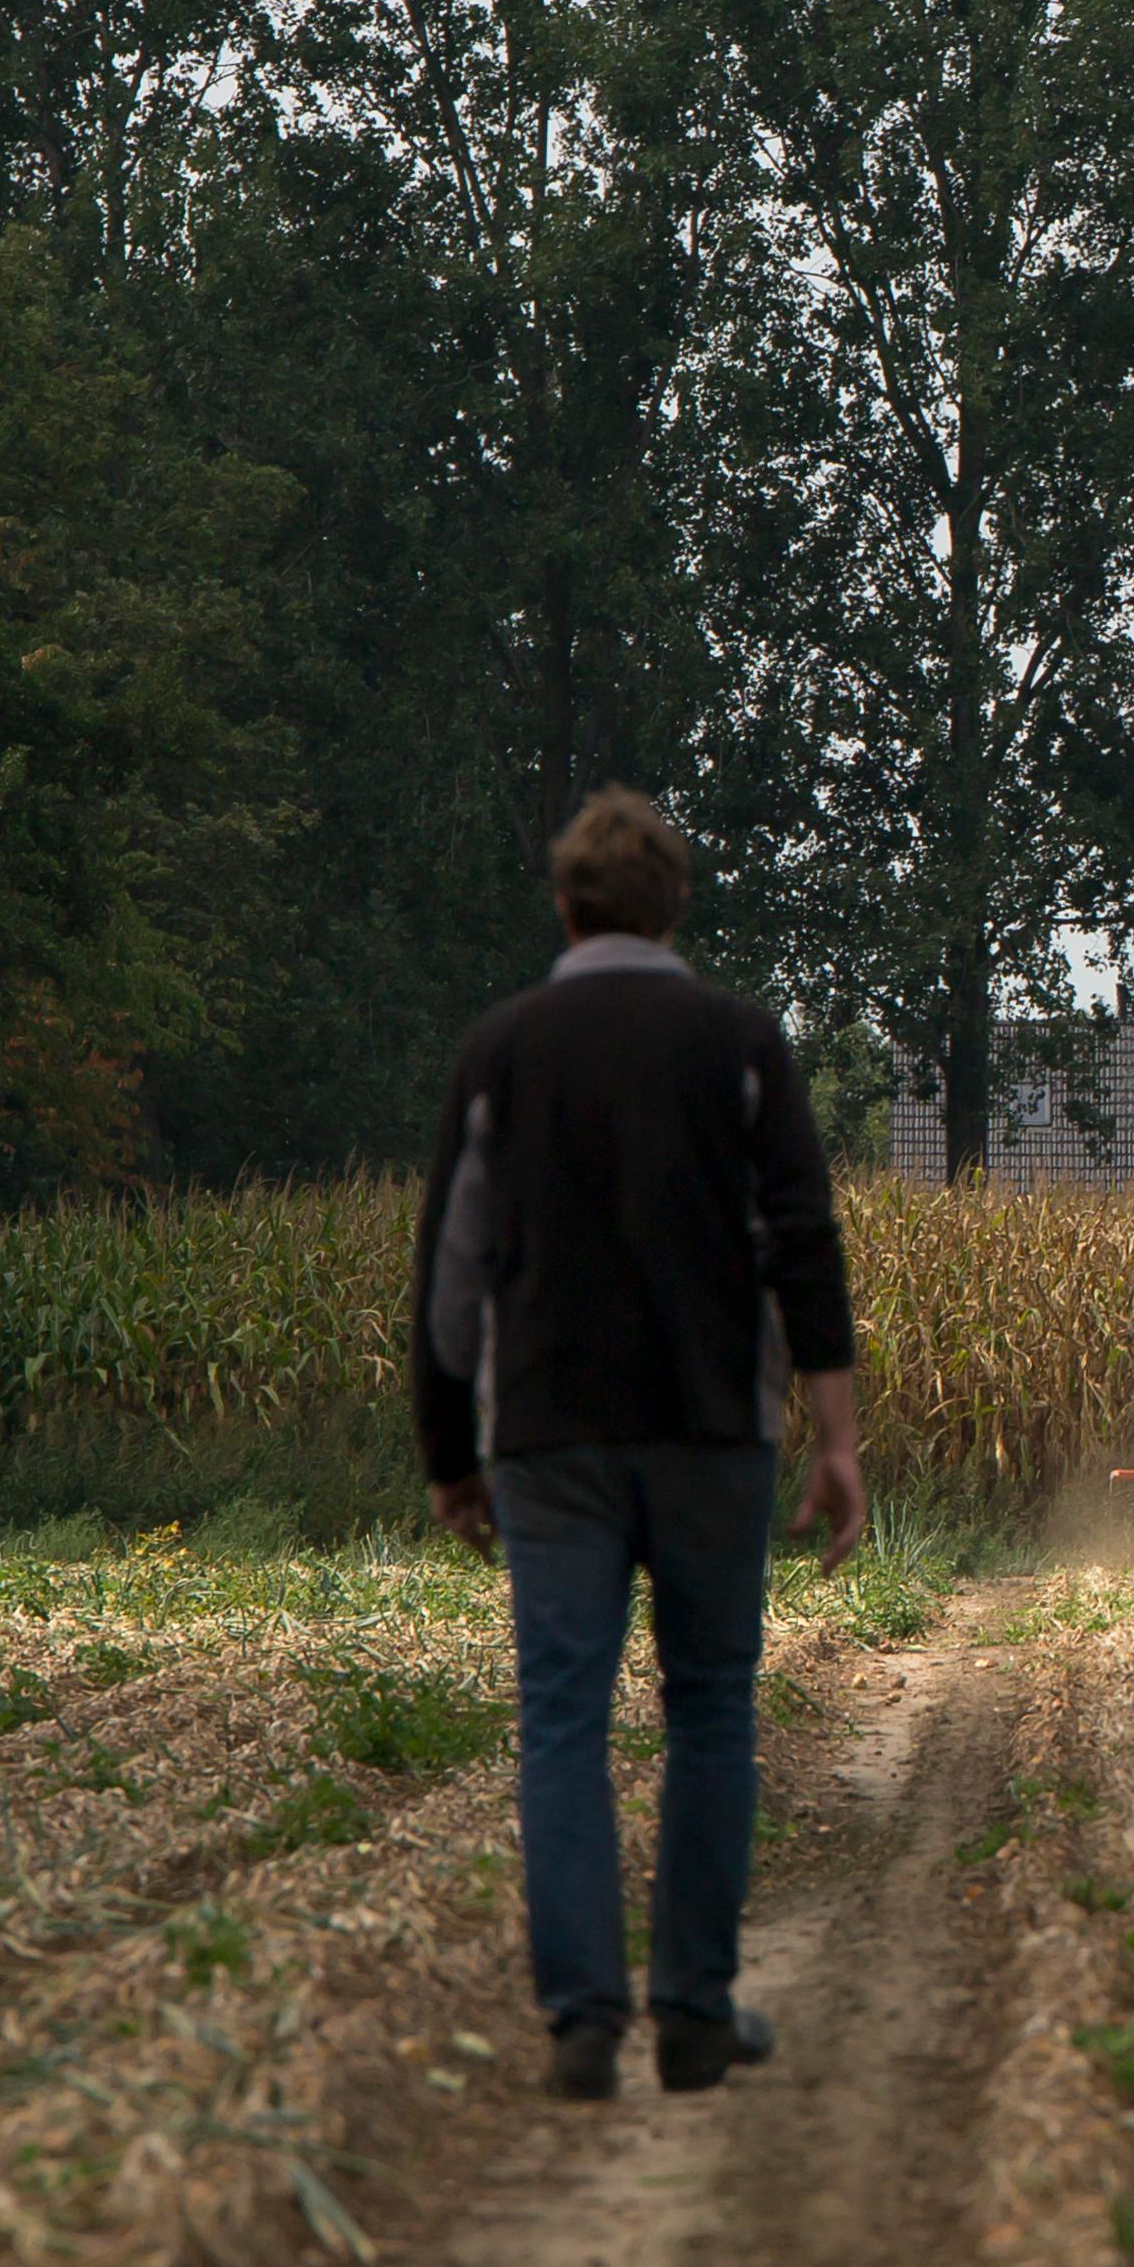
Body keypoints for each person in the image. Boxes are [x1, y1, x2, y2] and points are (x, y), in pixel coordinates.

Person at [412, 790, 872, 2103]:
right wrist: (835, 1442)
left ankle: (579, 2022)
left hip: (548, 1438)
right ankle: (693, 2007)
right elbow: (804, 1247)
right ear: (675, 911)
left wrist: (452, 1453)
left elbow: (449, 1284)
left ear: (565, 908)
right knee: (711, 1709)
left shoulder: (499, 1053)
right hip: (714, 1426)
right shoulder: (739, 1045)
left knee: (562, 1718)